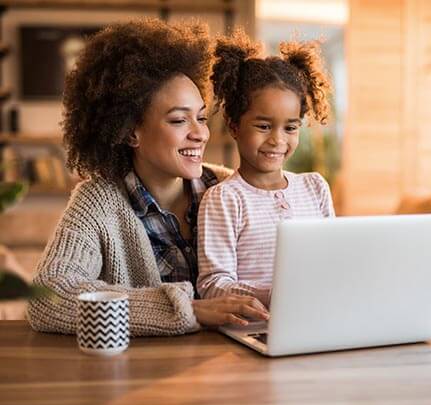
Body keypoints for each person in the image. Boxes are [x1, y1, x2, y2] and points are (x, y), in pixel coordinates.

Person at [27, 19, 269, 336]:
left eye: (200, 117)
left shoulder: (231, 189)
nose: (200, 134)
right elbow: (48, 297)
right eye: (179, 120)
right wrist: (187, 309)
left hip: (239, 366)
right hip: (148, 376)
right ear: (131, 132)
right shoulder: (96, 204)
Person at [196, 30, 335, 306]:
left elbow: (332, 261)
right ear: (234, 126)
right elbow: (212, 285)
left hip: (317, 316)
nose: (277, 140)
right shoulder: (224, 199)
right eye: (263, 126)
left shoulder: (315, 187)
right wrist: (275, 296)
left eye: (290, 127)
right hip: (253, 327)